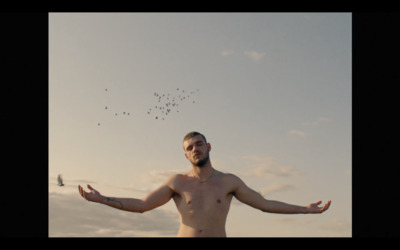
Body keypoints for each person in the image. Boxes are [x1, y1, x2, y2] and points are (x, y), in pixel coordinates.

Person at [78, 131, 331, 237]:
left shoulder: (229, 181)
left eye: (199, 144)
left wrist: (305, 209)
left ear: (208, 147)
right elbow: (143, 205)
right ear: (186, 155)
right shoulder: (177, 182)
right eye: (190, 148)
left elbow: (265, 204)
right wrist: (103, 199)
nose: (195, 149)